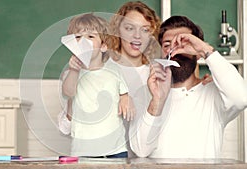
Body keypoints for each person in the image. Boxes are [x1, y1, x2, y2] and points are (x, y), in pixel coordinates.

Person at [130, 15, 247, 158]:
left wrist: (205, 50)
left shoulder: (213, 94)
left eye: (183, 44)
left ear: (197, 53)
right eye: (167, 45)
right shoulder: (147, 94)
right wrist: (158, 100)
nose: (175, 51)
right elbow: (141, 150)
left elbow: (242, 98)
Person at [58, 1, 162, 158]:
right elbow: (65, 124)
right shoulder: (79, 71)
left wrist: (125, 96)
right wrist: (74, 75)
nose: (137, 35)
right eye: (129, 28)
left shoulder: (156, 75)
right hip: (86, 152)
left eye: (145, 30)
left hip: (123, 154)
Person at [61, 13, 131, 158]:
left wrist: (125, 98)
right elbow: (68, 92)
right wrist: (74, 71)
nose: (83, 41)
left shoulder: (115, 70)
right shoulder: (70, 73)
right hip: (83, 151)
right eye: (78, 37)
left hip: (115, 150)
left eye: (90, 36)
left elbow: (124, 92)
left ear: (104, 46)